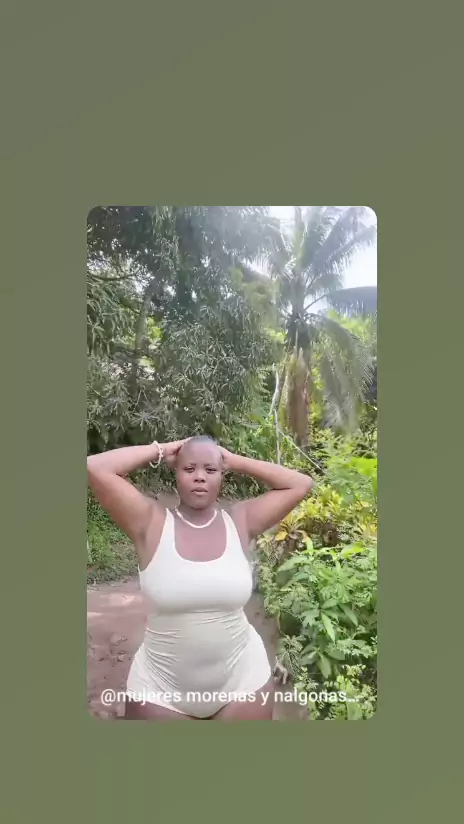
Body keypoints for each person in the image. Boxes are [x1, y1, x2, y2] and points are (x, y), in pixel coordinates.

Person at [87, 435, 314, 721]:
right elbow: (95, 467)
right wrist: (161, 450)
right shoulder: (150, 523)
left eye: (210, 469)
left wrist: (233, 460)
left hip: (242, 680)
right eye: (189, 468)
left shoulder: (240, 521)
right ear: (175, 471)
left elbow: (300, 483)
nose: (199, 477)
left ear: (222, 475)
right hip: (160, 689)